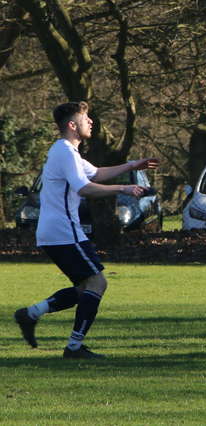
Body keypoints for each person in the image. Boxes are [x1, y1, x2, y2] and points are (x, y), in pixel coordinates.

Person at [13, 101, 159, 359]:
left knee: (85, 289)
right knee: (97, 282)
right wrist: (124, 189)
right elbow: (84, 188)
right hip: (63, 231)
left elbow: (97, 174)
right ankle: (74, 347)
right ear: (72, 125)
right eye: (85, 118)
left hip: (60, 231)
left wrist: (132, 165)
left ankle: (31, 314)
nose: (90, 121)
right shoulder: (65, 152)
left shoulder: (69, 152)